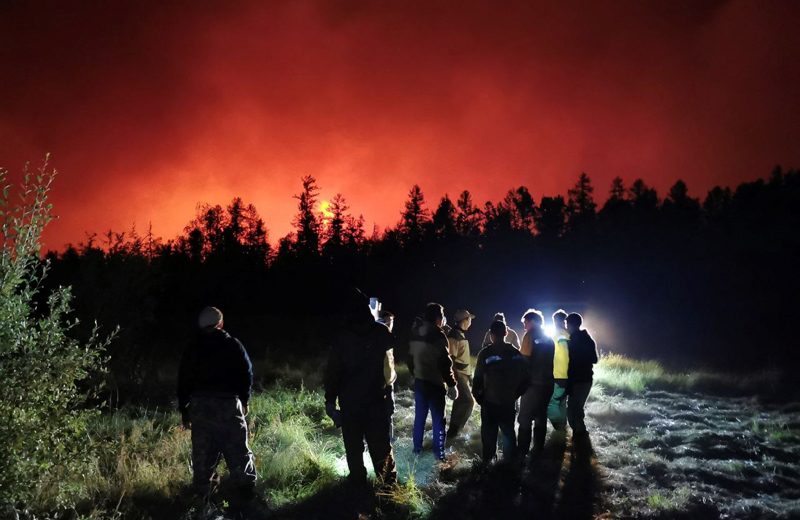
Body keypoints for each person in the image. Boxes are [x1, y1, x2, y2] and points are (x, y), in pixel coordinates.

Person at [177, 306, 257, 501]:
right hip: (228, 403)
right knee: (237, 447)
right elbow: (246, 373)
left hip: (199, 405)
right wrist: (244, 399)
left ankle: (205, 495)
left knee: (203, 451)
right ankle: (246, 493)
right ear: (220, 323)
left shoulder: (192, 348)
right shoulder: (233, 345)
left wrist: (184, 409)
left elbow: (183, 379)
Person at [324, 292, 397, 488]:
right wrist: (388, 396)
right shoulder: (382, 333)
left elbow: (333, 373)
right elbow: (389, 372)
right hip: (376, 402)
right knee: (381, 449)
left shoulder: (341, 337)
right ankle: (388, 489)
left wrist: (330, 401)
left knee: (354, 449)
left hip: (350, 403)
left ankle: (358, 487)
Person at [472, 320, 530, 463]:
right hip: (508, 402)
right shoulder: (516, 354)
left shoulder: (485, 354)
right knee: (508, 434)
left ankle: (488, 464)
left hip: (489, 403)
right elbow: (526, 379)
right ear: (506, 333)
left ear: (491, 335)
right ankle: (510, 465)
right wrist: (515, 395)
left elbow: (477, 381)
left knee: (489, 436)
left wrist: (481, 399)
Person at [408, 302, 458, 461]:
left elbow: (409, 358)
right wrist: (452, 384)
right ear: (439, 318)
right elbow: (445, 362)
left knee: (419, 419)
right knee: (438, 422)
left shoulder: (417, 332)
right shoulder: (438, 334)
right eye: (443, 316)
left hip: (420, 382)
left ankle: (416, 451)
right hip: (435, 384)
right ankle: (439, 456)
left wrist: (415, 373)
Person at [517, 309, 555, 456]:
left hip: (533, 384)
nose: (524, 326)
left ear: (532, 321)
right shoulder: (548, 338)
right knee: (541, 416)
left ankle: (522, 451)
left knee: (525, 418)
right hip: (547, 384)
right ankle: (538, 449)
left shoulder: (530, 335)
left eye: (525, 323)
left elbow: (524, 361)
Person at [565, 312, 598, 437]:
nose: (566, 326)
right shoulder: (588, 339)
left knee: (574, 409)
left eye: (567, 324)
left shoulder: (573, 340)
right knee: (576, 408)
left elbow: (592, 359)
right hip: (586, 379)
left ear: (571, 324)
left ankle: (581, 437)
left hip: (578, 380)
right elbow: (595, 359)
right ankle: (580, 436)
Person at [446, 309, 476, 439]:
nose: (470, 321)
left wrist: (469, 376)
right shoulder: (454, 335)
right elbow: (451, 358)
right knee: (469, 402)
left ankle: (453, 432)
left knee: (459, 404)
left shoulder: (460, 334)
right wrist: (455, 378)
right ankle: (456, 432)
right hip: (458, 375)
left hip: (464, 375)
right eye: (469, 319)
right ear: (464, 320)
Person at [548, 309, 570, 430]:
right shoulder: (570, 335)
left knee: (551, 404)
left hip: (557, 375)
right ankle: (563, 429)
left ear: (555, 321)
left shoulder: (553, 335)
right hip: (569, 376)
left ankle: (559, 429)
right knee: (562, 403)